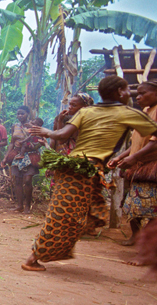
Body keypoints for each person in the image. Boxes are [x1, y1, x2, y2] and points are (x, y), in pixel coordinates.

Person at [22, 75, 157, 272]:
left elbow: (61, 135)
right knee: (64, 216)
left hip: (78, 168)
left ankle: (41, 253)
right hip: (83, 170)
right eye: (129, 90)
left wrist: (47, 132)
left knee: (72, 214)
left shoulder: (88, 112)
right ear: (119, 92)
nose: (134, 94)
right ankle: (33, 258)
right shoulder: (126, 112)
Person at [108, 79, 157, 248]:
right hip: (139, 167)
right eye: (138, 94)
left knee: (149, 209)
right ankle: (136, 237)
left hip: (152, 167)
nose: (139, 97)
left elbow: (154, 142)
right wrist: (122, 156)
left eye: (143, 94)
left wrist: (134, 158)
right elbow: (136, 141)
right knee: (132, 205)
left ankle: (148, 246)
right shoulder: (145, 111)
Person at [4, 106, 41, 213]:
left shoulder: (34, 126)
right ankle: (19, 205)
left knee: (28, 180)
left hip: (30, 155)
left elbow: (39, 141)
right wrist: (6, 157)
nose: (20, 116)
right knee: (17, 180)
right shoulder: (15, 126)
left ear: (28, 114)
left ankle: (27, 206)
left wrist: (33, 146)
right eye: (18, 114)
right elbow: (11, 143)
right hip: (17, 154)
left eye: (22, 113)